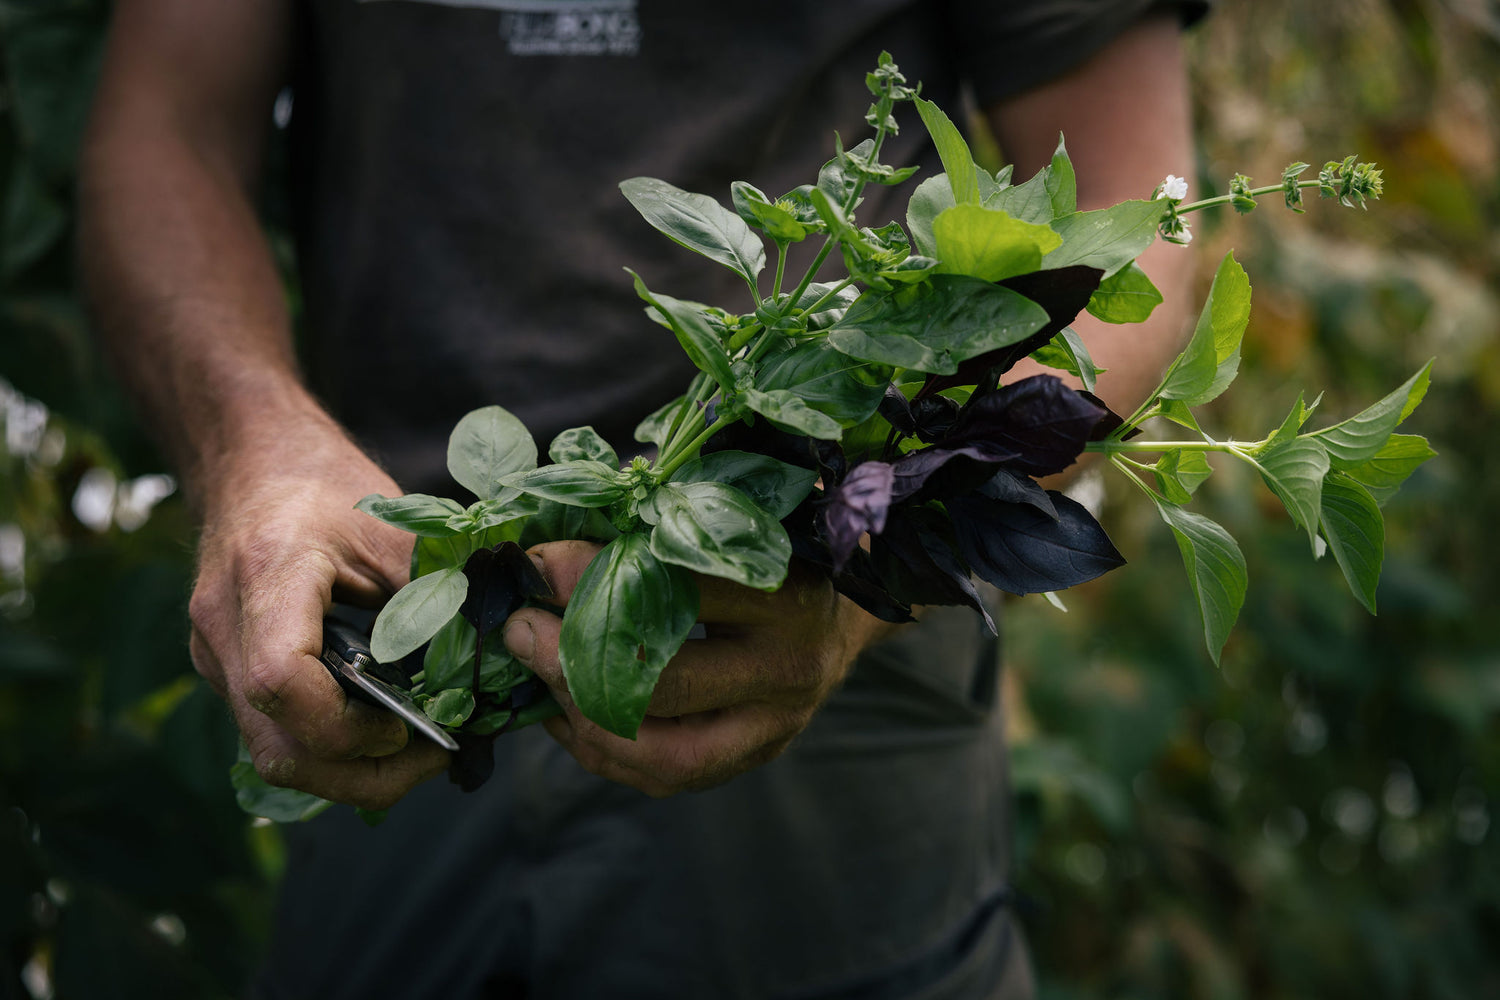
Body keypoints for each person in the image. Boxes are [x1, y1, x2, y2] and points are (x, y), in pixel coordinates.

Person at [79, 1, 1205, 996]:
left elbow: (1139, 203)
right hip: (387, 640)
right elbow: (167, 127)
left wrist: (869, 553)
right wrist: (254, 441)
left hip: (821, 675)